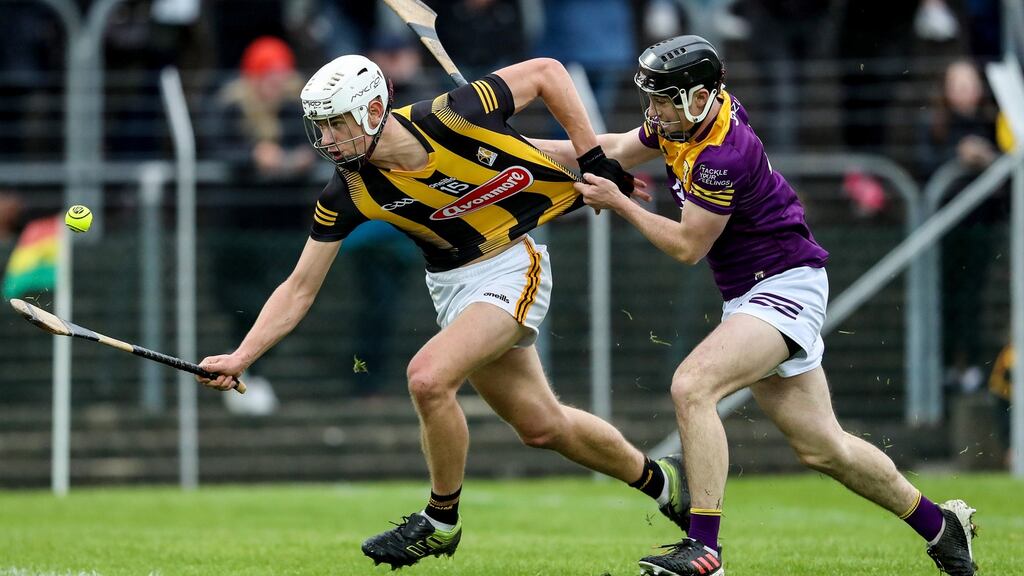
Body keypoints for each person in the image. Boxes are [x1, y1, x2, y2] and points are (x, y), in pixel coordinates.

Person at [196, 53, 690, 569]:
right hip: (452, 287)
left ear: (371, 112)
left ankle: (440, 521)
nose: (327, 140)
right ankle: (663, 481)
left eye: (337, 124)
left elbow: (548, 72)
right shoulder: (349, 190)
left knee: (428, 378)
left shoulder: (450, 114)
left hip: (512, 264)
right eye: (320, 128)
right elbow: (299, 289)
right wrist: (242, 356)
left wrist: (591, 159)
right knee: (542, 426)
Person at [534, 35, 979, 576]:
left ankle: (705, 550)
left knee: (692, 385)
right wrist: (515, 145)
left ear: (697, 97)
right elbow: (618, 149)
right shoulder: (687, 117)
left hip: (784, 285)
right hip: (755, 291)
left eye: (663, 100)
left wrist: (619, 202)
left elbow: (685, 247)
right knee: (825, 449)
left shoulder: (723, 154)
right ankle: (940, 526)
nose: (653, 111)